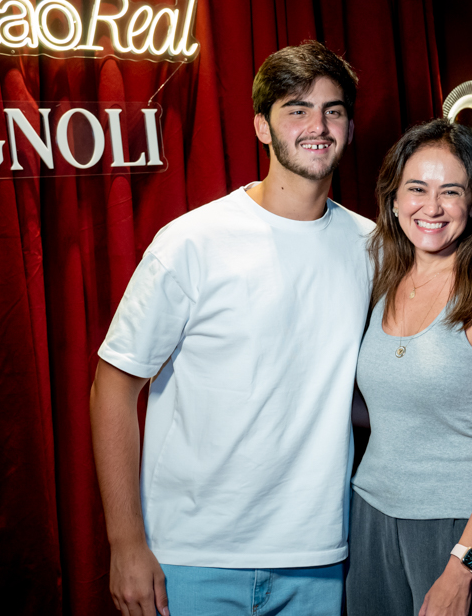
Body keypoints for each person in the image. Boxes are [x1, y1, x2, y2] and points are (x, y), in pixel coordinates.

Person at [90, 40, 373, 616]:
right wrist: (125, 542)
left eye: (334, 110)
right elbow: (111, 389)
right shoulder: (192, 242)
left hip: (317, 556)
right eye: (297, 109)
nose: (318, 125)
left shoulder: (376, 248)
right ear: (262, 128)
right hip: (190, 559)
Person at [346, 119, 472, 616]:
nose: (431, 207)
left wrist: (463, 566)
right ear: (393, 198)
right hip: (371, 518)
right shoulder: (384, 280)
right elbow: (395, 411)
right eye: (417, 188)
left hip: (463, 529)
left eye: (451, 191)